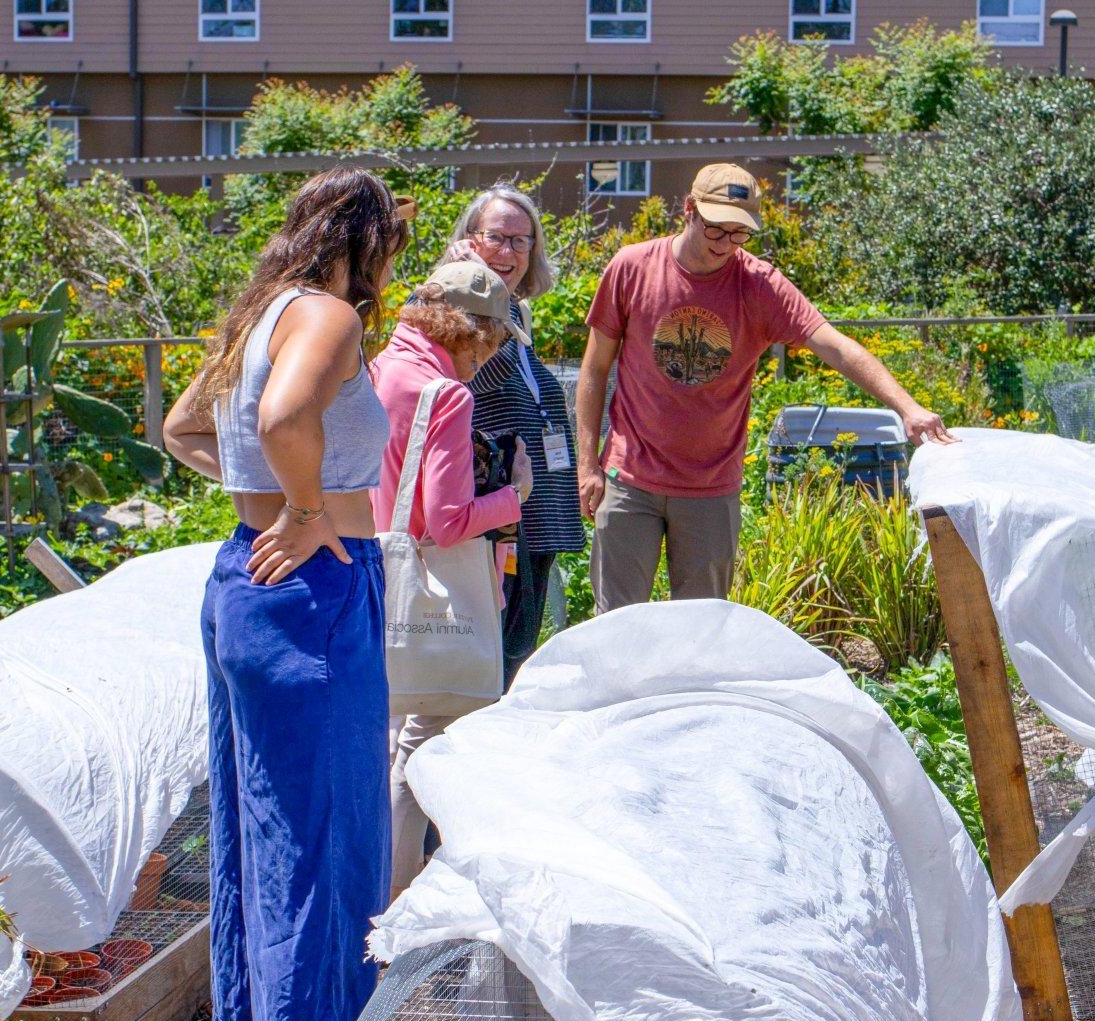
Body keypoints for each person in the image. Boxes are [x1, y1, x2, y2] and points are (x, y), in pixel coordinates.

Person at [162, 167, 408, 1021]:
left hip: (240, 584)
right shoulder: (330, 318)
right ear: (372, 239)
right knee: (322, 847)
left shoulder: (259, 316)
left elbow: (186, 429)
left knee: (252, 835)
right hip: (312, 593)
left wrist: (261, 502)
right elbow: (281, 419)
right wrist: (305, 509)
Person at [575, 163, 957, 614]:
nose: (727, 245)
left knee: (701, 626)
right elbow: (595, 369)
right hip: (628, 477)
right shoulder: (633, 267)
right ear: (689, 210)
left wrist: (907, 408)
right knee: (616, 624)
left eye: (741, 234)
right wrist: (588, 464)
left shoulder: (760, 285)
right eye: (718, 230)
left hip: (710, 487)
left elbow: (834, 346)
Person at [371, 260, 534, 899]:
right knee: (420, 759)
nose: (489, 359)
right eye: (492, 343)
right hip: (436, 594)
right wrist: (515, 494)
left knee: (388, 750)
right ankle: (394, 918)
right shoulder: (447, 394)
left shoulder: (381, 368)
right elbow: (446, 521)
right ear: (471, 331)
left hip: (380, 585)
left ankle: (371, 902)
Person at [439, 184, 585, 683]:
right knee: (492, 655)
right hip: (493, 511)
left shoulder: (517, 312)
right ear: (468, 240)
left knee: (518, 649)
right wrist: (466, 285)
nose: (509, 253)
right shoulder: (451, 310)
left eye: (522, 242)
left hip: (534, 507)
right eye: (497, 238)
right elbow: (467, 383)